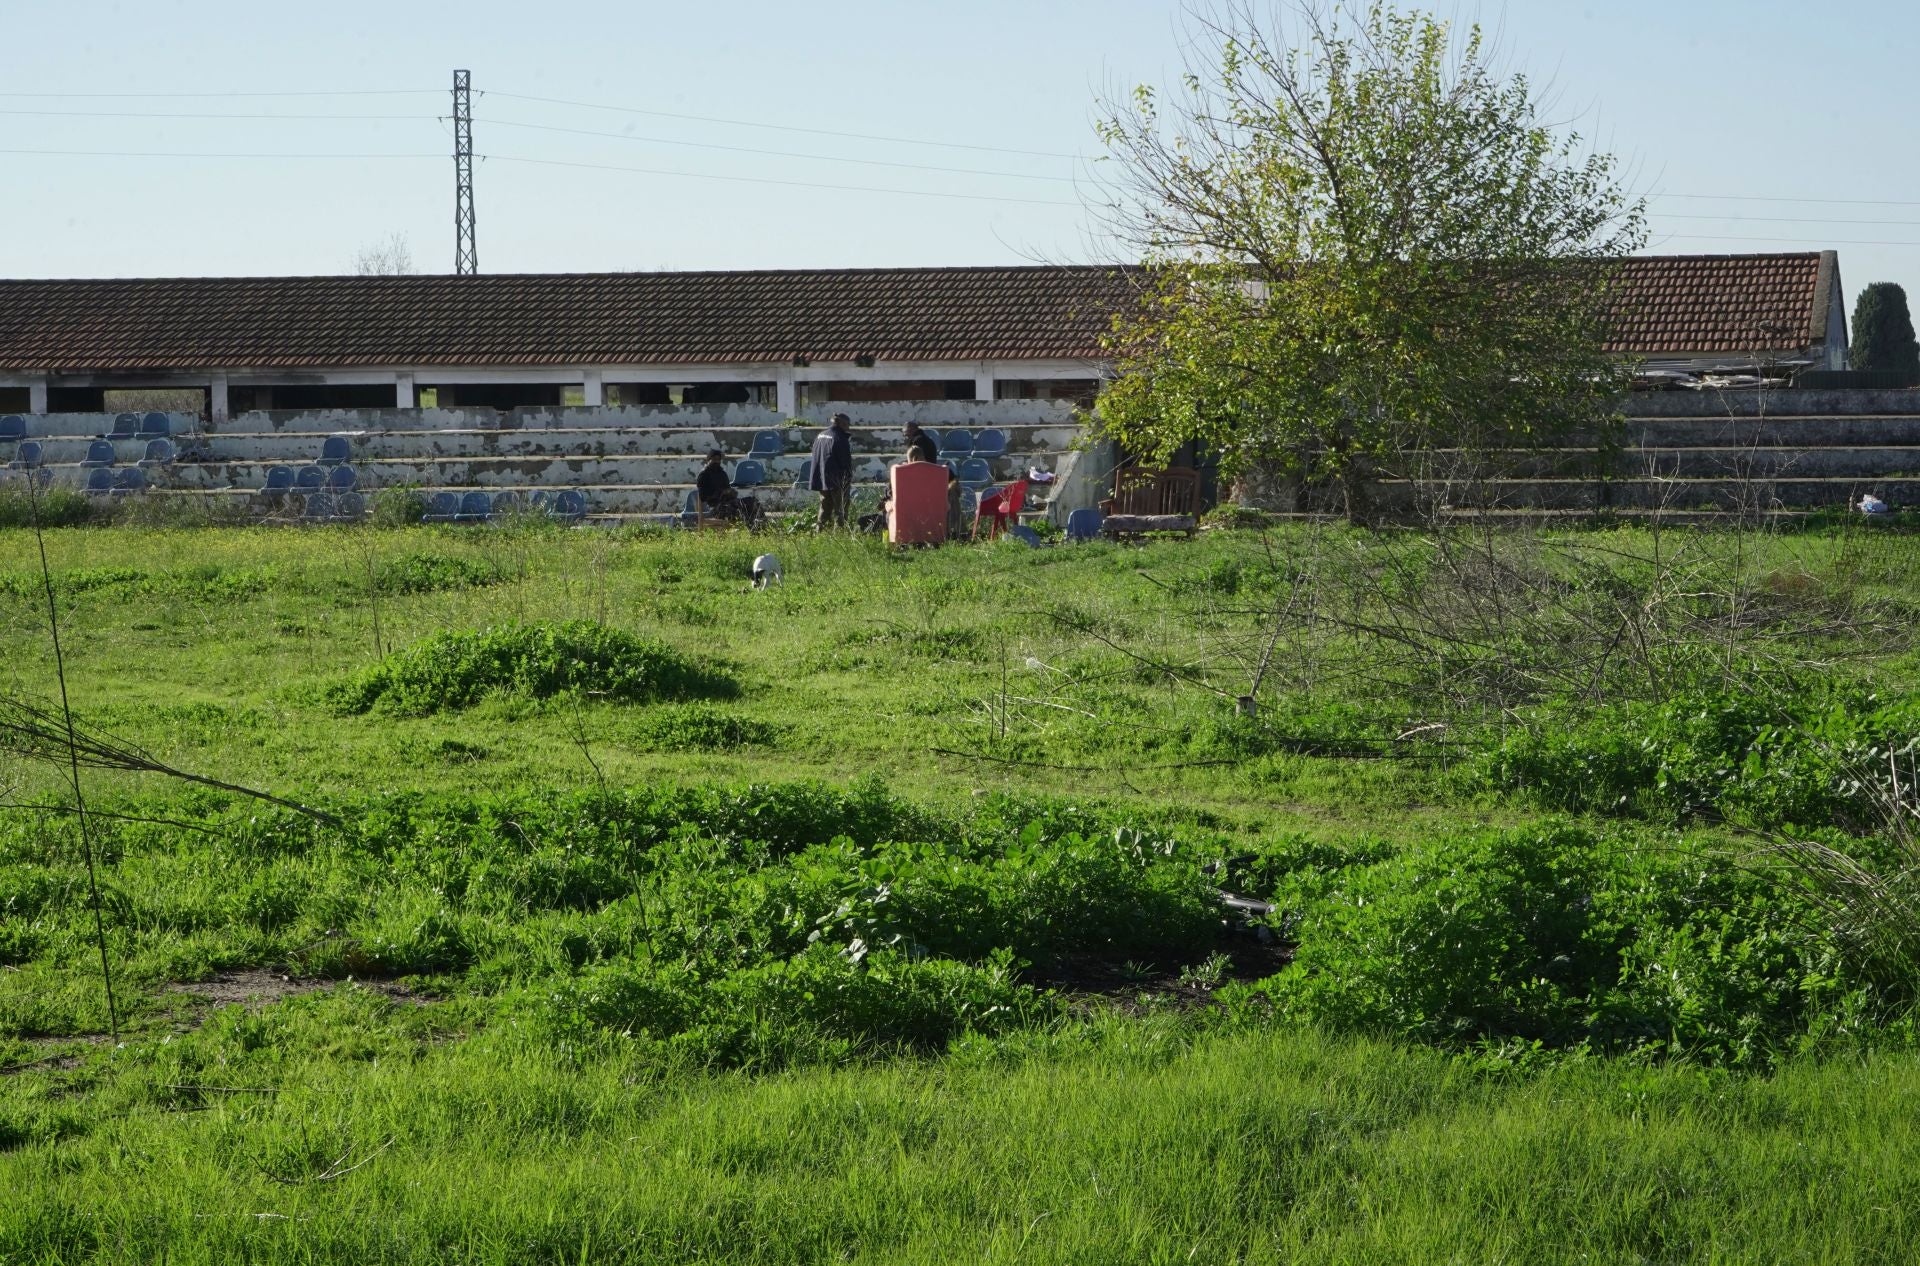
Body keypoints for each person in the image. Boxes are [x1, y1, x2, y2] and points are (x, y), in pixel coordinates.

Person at [809, 412, 854, 529]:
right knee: (841, 510)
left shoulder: (820, 435)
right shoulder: (840, 437)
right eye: (847, 425)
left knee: (824, 508)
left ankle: (820, 532)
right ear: (841, 423)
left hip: (822, 479)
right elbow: (845, 462)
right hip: (837, 480)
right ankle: (839, 534)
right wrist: (848, 479)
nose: (848, 428)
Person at [695, 450, 760, 526]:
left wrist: (731, 492)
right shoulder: (703, 475)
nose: (716, 461)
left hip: (729, 502)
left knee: (752, 502)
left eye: (718, 459)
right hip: (715, 507)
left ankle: (759, 527)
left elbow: (728, 489)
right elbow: (702, 496)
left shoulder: (722, 474)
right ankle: (750, 527)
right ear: (708, 460)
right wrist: (720, 493)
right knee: (739, 510)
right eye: (714, 459)